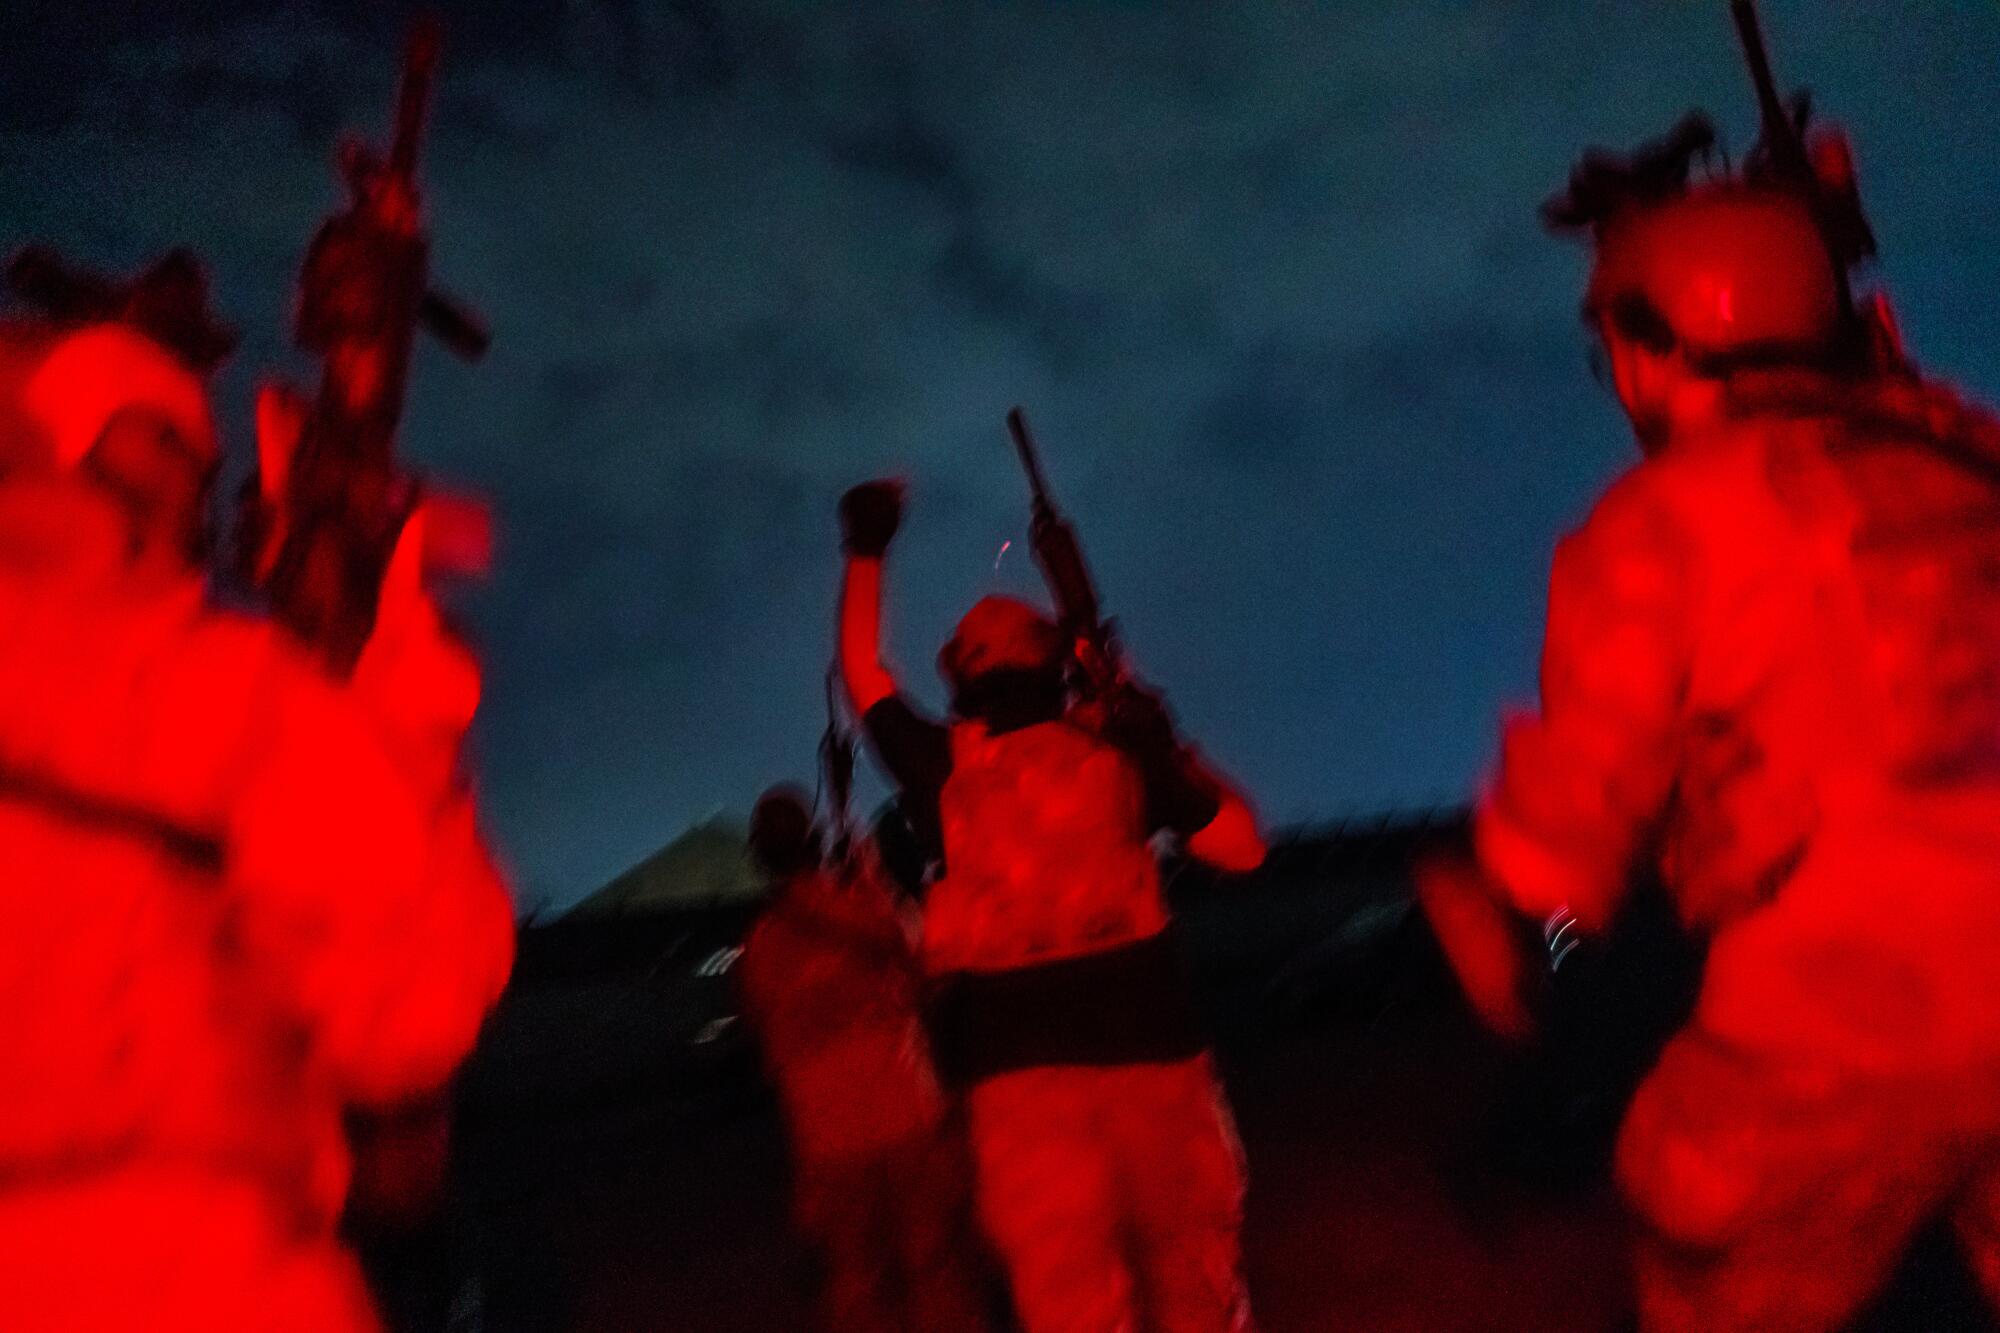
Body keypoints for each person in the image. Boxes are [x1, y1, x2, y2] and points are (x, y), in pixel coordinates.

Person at [1418, 107, 2000, 1331]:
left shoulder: (1664, 524)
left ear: (1649, 348)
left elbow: (1554, 853)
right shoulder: (1966, 464)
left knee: (1709, 1244)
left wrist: (1522, 949)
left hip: (1833, 1047)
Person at [0, 257, 514, 1332]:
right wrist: (408, 696)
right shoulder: (187, 681)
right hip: (195, 1268)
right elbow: (413, 989)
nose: (200, 477)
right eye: (173, 442)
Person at [836, 479, 1266, 1333]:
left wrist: (866, 550)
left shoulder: (942, 766)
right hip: (1156, 1066)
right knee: (1199, 1286)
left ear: (959, 675)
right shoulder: (1116, 743)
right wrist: (1164, 745)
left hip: (1018, 1084)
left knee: (1067, 1303)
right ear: (1057, 656)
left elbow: (860, 673)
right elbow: (1242, 846)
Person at [736, 784, 992, 1333]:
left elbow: (766, 1037)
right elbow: (925, 954)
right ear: (814, 842)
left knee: (857, 1282)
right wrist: (871, 874)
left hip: (823, 1139)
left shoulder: (759, 945)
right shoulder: (858, 908)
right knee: (936, 1267)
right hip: (904, 1117)